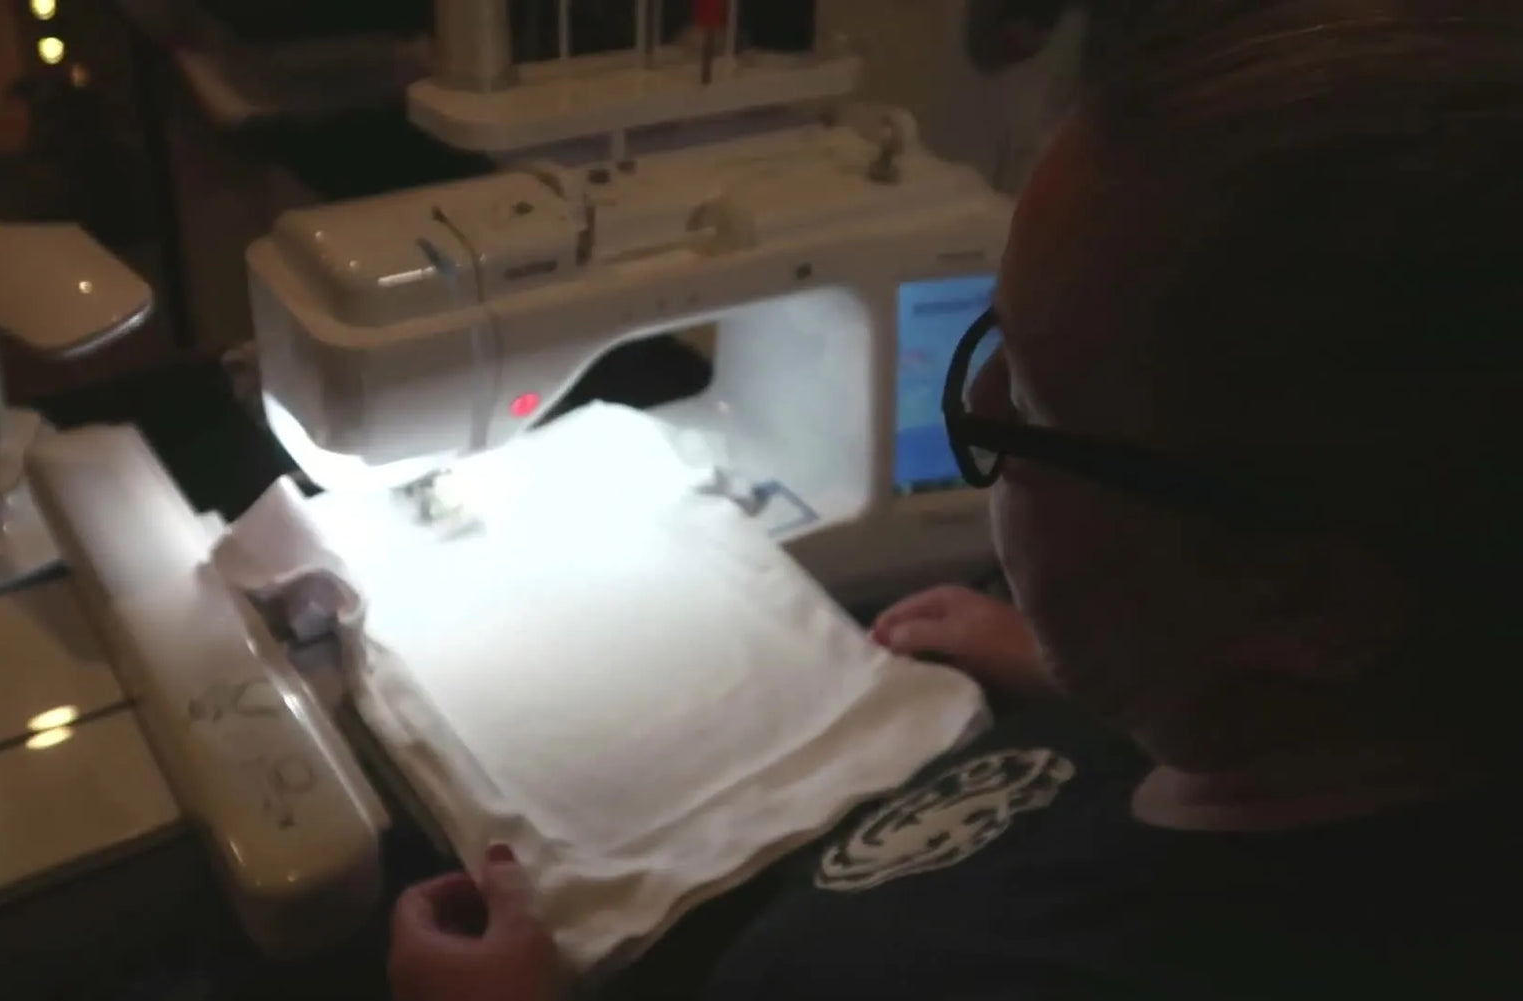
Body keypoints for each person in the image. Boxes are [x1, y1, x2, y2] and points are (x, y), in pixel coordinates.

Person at [388, 2, 1523, 998]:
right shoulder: (1298, 728)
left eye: (1027, 397)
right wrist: (1096, 669)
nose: (966, 404)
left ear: (1304, 599)